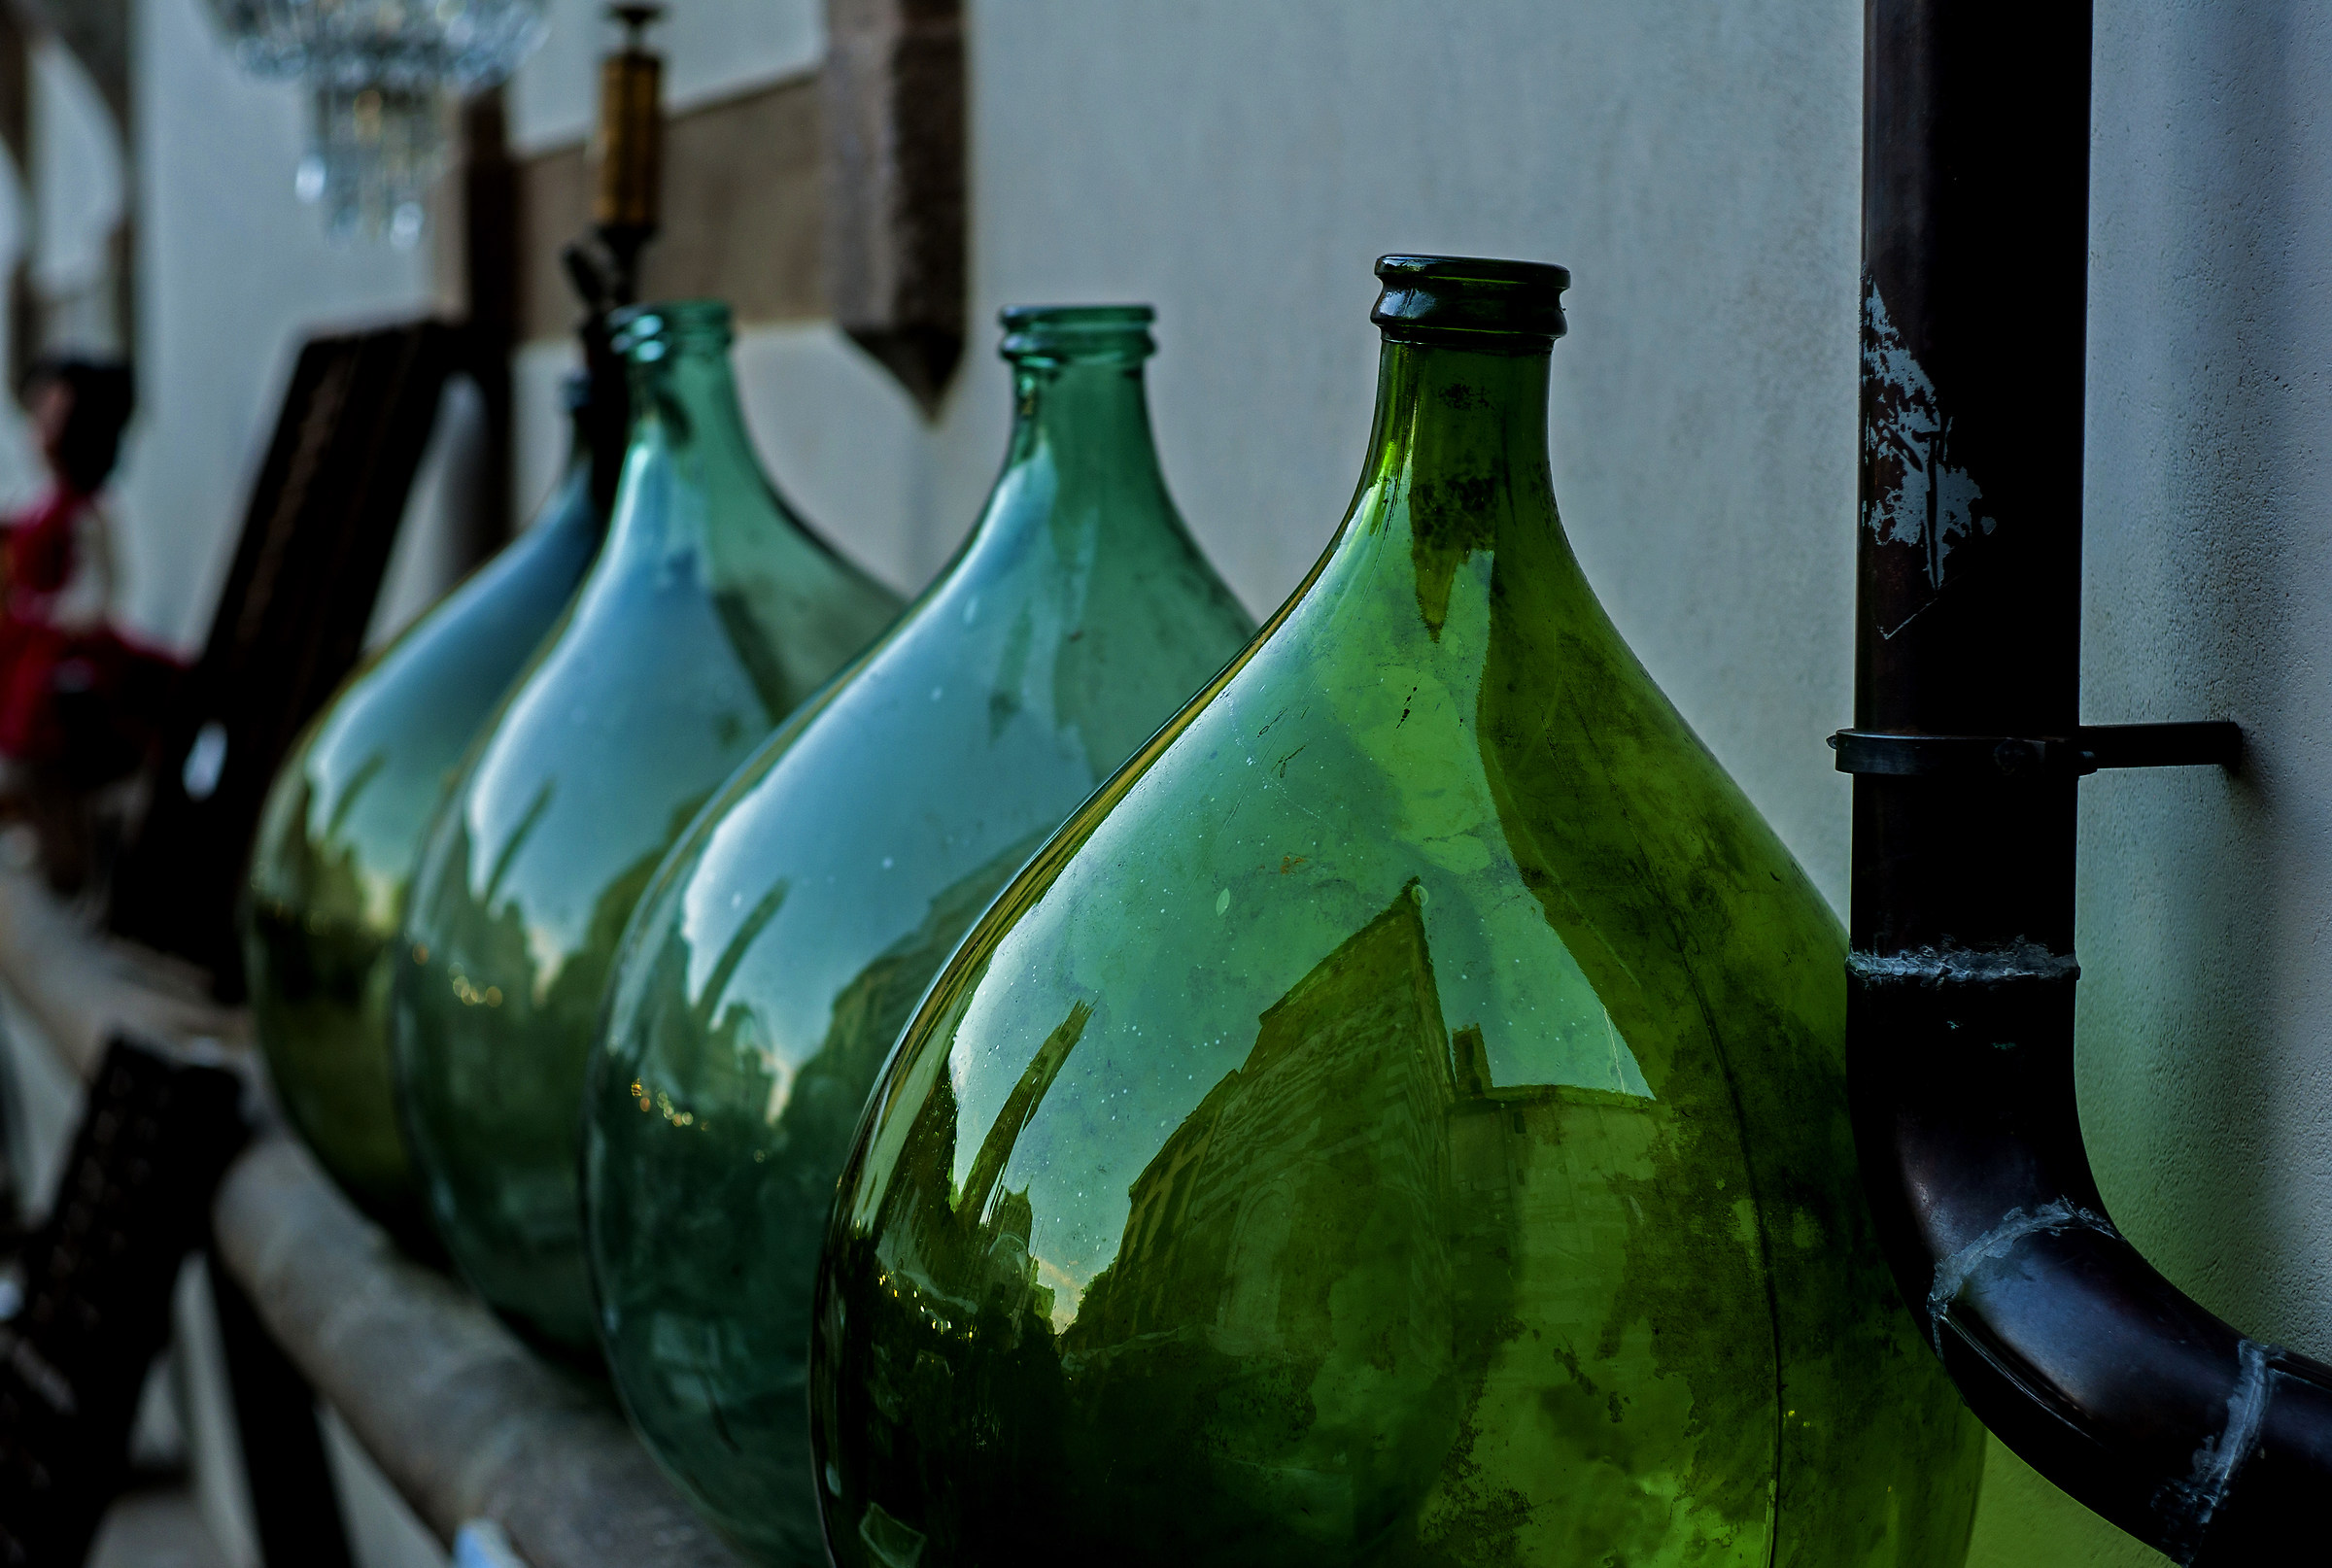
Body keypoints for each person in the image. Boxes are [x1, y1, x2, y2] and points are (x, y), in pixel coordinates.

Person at [0, 358, 181, 888]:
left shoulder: (83, 512)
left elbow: (97, 593)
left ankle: (71, 864)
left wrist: (39, 614)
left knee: (51, 739)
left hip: (63, 661)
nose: (42, 432)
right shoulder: (43, 510)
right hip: (31, 658)